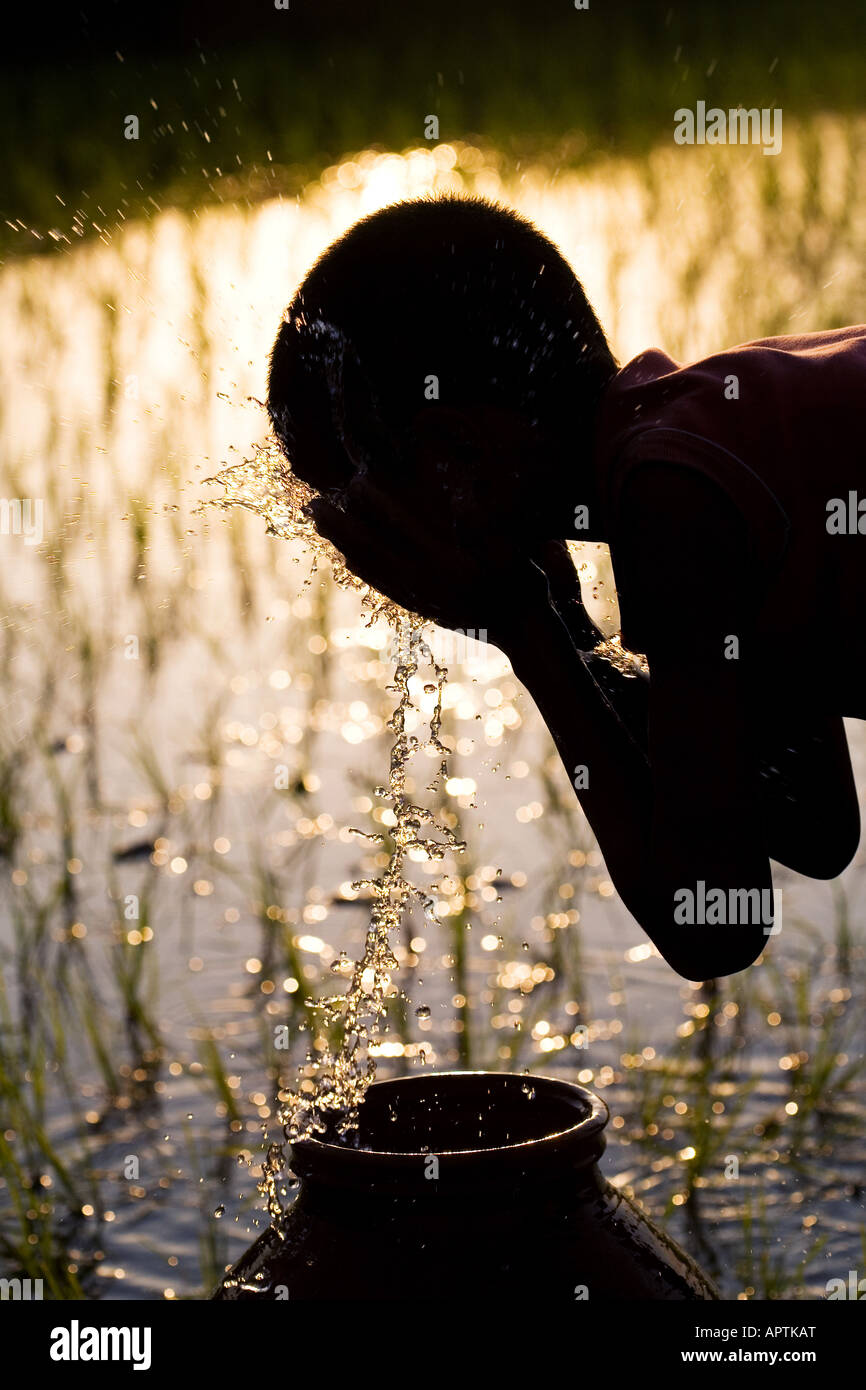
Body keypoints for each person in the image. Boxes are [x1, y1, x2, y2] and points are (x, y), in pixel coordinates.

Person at [266, 194, 864, 981]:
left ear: (454, 447)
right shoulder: (714, 441)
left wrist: (526, 631)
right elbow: (810, 822)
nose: (376, 557)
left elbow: (716, 925)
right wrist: (571, 630)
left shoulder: (679, 500)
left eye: (368, 512)